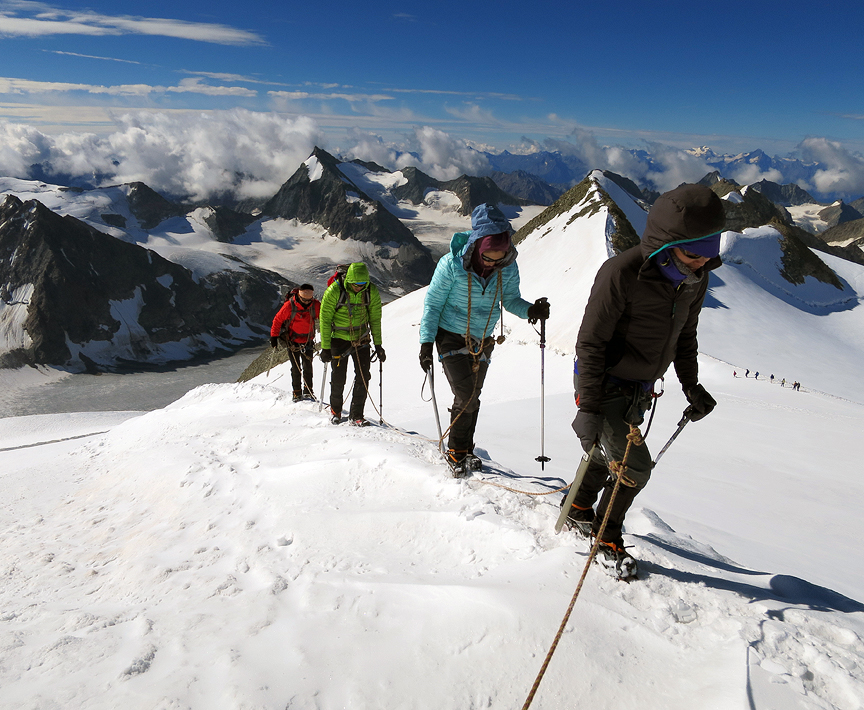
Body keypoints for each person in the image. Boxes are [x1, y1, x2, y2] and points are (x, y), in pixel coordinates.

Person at [568, 183, 725, 575]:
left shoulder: (694, 278)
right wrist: (588, 408)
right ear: (666, 243)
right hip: (603, 383)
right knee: (634, 467)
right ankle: (605, 536)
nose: (701, 264)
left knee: (607, 455)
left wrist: (691, 385)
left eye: (708, 254)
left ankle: (578, 508)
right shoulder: (621, 273)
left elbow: (685, 336)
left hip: (640, 389)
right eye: (693, 254)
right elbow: (590, 344)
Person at [419, 203, 550, 476]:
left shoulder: (507, 267)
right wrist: (426, 343)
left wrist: (531, 311)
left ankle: (466, 449)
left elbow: (510, 299)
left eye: (499, 257)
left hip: (483, 340)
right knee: (466, 394)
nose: (492, 263)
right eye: (488, 257)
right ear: (477, 245)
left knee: (473, 396)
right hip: (450, 335)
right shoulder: (451, 265)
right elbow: (433, 304)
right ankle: (457, 451)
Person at [319, 262, 384, 426]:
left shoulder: (370, 291)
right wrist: (325, 347)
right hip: (338, 339)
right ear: (348, 280)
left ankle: (356, 415)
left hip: (361, 338)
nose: (359, 287)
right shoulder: (334, 291)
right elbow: (325, 320)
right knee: (338, 377)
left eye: (363, 284)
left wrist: (378, 345)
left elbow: (375, 319)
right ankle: (336, 411)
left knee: (364, 376)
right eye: (356, 284)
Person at [270, 284, 321, 402]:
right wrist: (274, 336)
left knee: (307, 367)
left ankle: (307, 391)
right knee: (296, 368)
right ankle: (297, 392)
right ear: (299, 296)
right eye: (304, 300)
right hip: (293, 342)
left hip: (306, 341)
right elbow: (277, 320)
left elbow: (325, 318)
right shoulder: (290, 306)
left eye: (309, 300)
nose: (307, 302)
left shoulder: (315, 305)